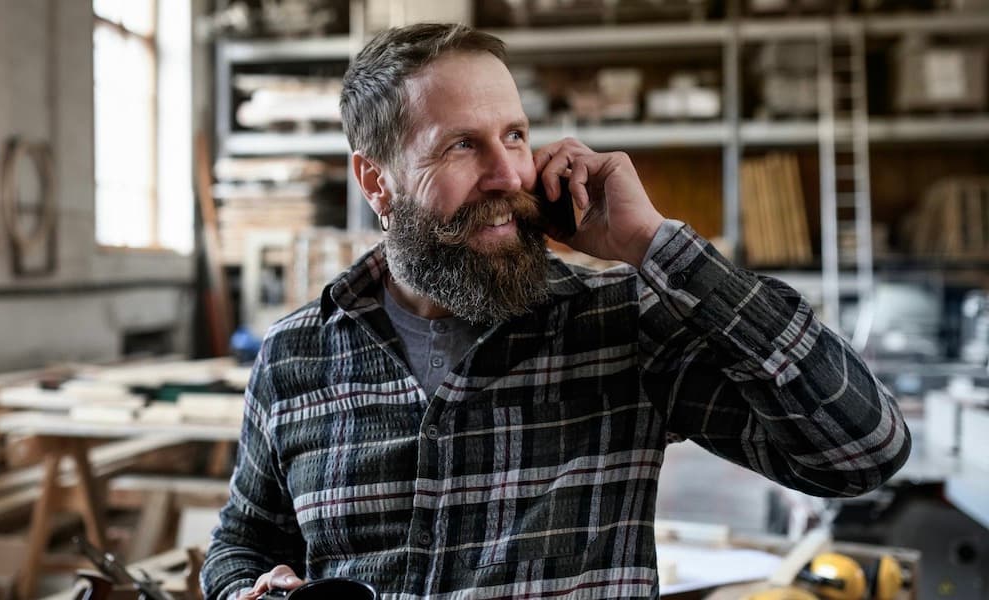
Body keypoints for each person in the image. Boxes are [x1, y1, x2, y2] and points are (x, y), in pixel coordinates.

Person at [201, 23, 910, 600]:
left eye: (514, 134)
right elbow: (242, 543)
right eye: (460, 146)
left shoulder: (621, 324)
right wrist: (246, 590)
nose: (509, 174)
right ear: (376, 181)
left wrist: (653, 244)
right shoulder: (297, 355)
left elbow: (862, 450)